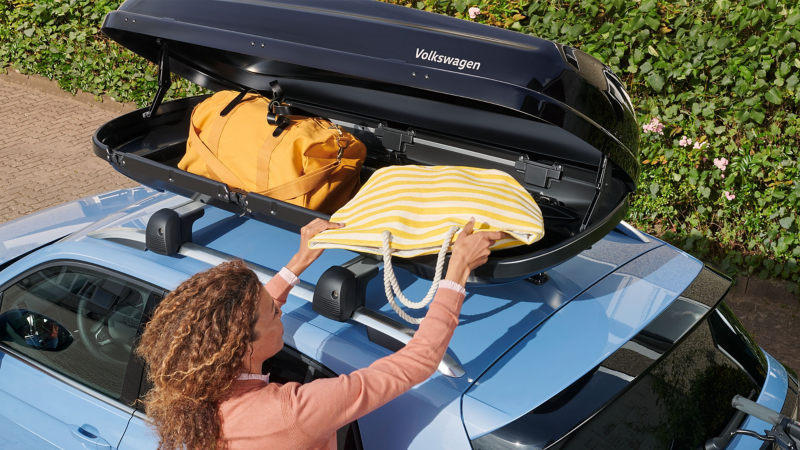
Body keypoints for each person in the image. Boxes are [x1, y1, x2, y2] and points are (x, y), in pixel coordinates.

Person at [136, 217, 503, 450]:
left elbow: (247, 317)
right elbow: (419, 360)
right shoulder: (294, 412)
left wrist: (299, 262)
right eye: (274, 313)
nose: (282, 311)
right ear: (240, 346)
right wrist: (457, 273)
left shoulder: (189, 379)